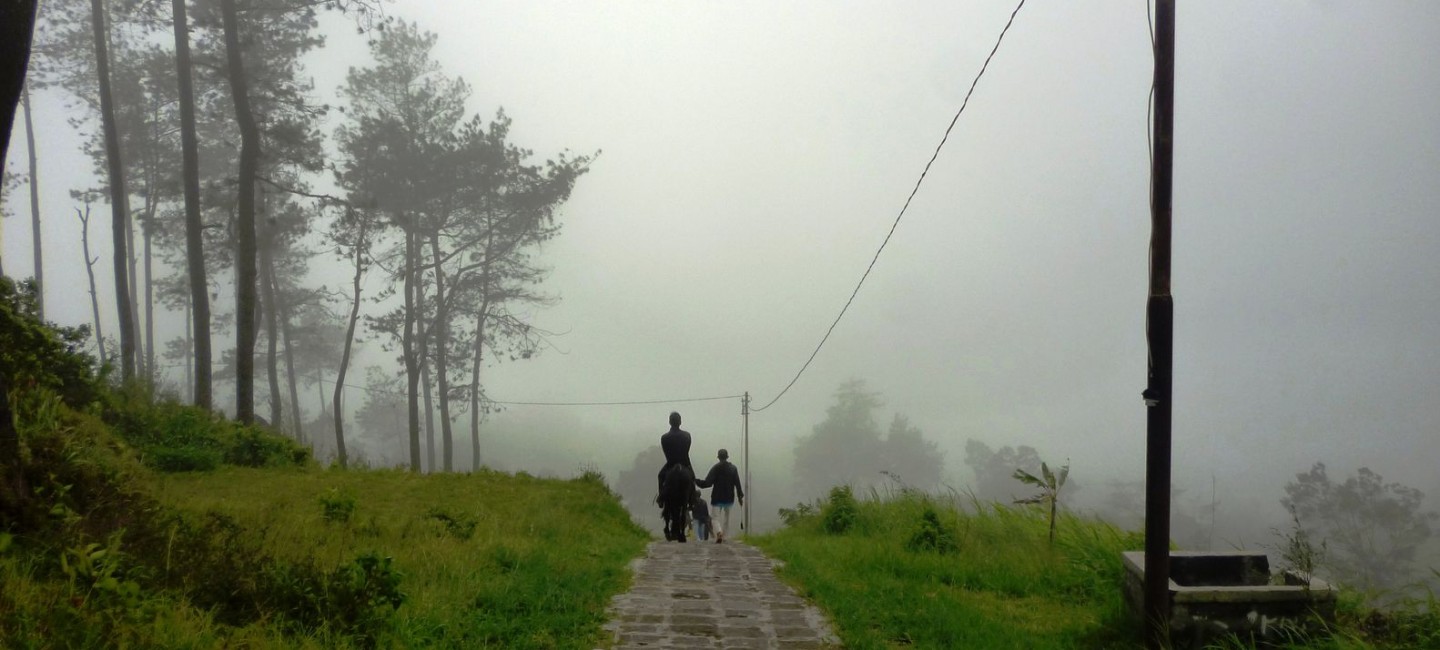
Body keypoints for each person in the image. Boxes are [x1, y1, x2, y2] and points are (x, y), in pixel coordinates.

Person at [696, 448, 744, 543]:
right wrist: (740, 496)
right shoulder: (733, 468)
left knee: (715, 518)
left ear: (719, 457)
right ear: (727, 457)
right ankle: (725, 536)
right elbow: (737, 484)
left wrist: (696, 481)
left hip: (717, 498)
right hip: (729, 498)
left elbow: (708, 483)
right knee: (727, 518)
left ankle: (719, 532)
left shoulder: (716, 468)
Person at [656, 411, 692, 497]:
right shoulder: (687, 435)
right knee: (692, 478)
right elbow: (686, 451)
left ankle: (661, 497)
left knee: (660, 476)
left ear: (669, 422)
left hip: (670, 464)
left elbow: (666, 453)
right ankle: (692, 498)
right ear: (680, 422)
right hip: (685, 463)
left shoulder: (664, 437)